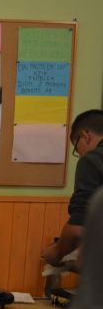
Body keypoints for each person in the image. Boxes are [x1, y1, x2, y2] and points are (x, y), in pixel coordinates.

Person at [42, 109, 103, 267]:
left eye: (77, 148)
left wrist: (56, 252)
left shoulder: (92, 160)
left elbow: (78, 226)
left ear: (85, 136)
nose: (80, 154)